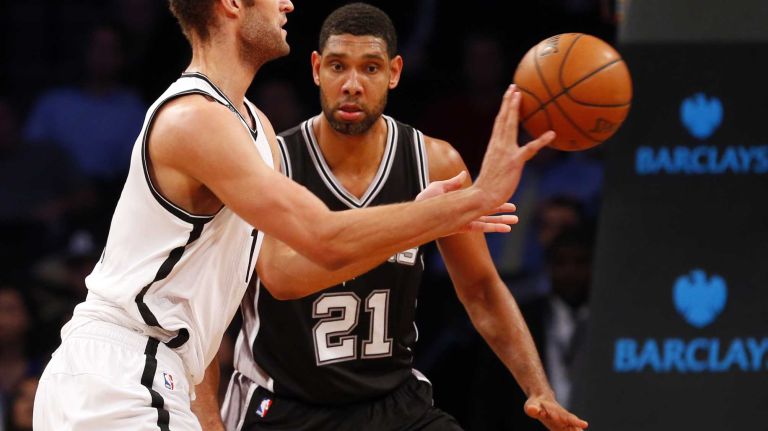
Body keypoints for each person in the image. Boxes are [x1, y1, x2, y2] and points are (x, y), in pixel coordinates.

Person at [32, 0, 556, 430]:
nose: (287, 3)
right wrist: (470, 199)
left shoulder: (252, 125)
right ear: (232, 5)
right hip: (125, 371)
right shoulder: (196, 119)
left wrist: (418, 217)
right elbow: (322, 236)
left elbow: (288, 272)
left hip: (161, 371)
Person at [193, 4, 587, 431]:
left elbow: (481, 289)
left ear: (395, 73)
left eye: (371, 68)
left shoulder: (433, 163)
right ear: (316, 69)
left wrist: (537, 388)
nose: (352, 85)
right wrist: (209, 420)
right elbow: (260, 286)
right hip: (284, 405)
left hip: (392, 402)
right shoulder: (269, 164)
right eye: (338, 66)